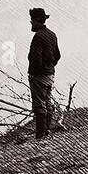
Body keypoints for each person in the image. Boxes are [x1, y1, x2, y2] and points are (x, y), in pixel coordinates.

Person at [28, 8, 61, 138]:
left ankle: (40, 133)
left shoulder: (38, 37)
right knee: (47, 101)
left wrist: (35, 73)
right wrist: (50, 67)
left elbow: (35, 58)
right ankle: (47, 130)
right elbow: (58, 55)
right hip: (50, 74)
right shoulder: (52, 34)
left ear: (37, 21)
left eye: (32, 20)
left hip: (39, 76)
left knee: (39, 104)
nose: (31, 23)